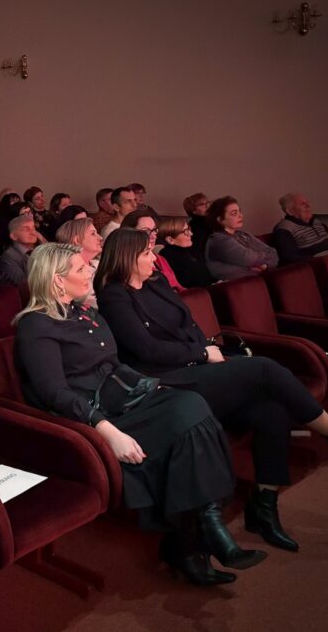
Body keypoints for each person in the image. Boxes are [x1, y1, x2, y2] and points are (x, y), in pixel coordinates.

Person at [94, 228, 328, 551]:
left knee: (271, 411)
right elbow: (147, 350)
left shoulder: (156, 283)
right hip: (166, 382)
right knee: (265, 368)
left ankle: (264, 507)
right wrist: (202, 354)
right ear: (128, 258)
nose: (153, 259)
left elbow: (189, 324)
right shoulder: (113, 296)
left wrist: (204, 352)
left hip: (198, 367)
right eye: (147, 254)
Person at [15, 243, 251, 586]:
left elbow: (114, 365)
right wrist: (108, 431)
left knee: (194, 406)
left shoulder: (85, 313)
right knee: (188, 419)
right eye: (81, 269)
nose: (90, 272)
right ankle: (197, 538)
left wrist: (151, 386)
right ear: (57, 281)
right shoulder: (36, 326)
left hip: (123, 399)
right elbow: (56, 393)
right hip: (92, 417)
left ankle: (200, 529)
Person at [205, 196, 278, 280]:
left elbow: (273, 253)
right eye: (234, 213)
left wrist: (265, 266)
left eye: (239, 211)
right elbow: (248, 258)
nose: (240, 216)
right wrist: (263, 257)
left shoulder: (243, 234)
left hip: (255, 281)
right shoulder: (218, 240)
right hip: (234, 285)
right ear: (220, 219)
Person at [121, 208, 184, 292]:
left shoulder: (160, 259)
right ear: (129, 234)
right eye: (146, 231)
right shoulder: (130, 265)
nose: (153, 236)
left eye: (154, 230)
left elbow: (179, 288)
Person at [273, 193, 328, 265]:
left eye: (307, 203)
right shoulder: (284, 228)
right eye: (302, 204)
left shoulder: (317, 223)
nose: (308, 206)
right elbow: (291, 258)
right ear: (289, 211)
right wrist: (322, 260)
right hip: (315, 265)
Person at [55, 217, 103, 308]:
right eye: (93, 233)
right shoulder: (68, 272)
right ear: (77, 240)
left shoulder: (99, 263)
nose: (100, 238)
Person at [157, 216, 214, 288]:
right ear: (170, 240)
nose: (191, 234)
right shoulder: (167, 256)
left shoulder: (191, 248)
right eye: (185, 231)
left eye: (189, 229)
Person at [0, 214, 41, 285]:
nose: (33, 232)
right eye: (26, 229)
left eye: (33, 228)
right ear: (13, 236)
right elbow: (23, 284)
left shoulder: (40, 249)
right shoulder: (9, 257)